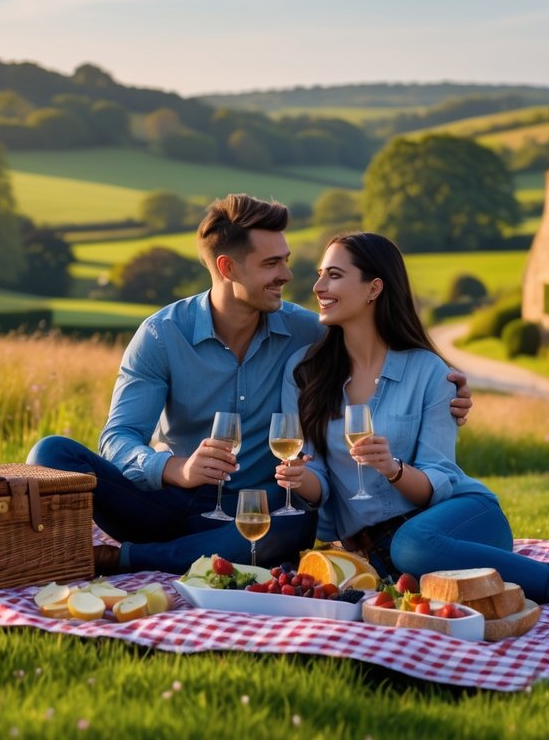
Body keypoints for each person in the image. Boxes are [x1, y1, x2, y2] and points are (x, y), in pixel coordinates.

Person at [26, 195, 473, 576]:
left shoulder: (307, 333)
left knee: (296, 523)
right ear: (228, 267)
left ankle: (128, 560)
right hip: (159, 505)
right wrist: (176, 469)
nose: (287, 275)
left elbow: (378, 346)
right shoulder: (162, 335)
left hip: (248, 516)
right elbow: (117, 439)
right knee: (51, 454)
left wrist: (447, 389)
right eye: (271, 263)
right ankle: (164, 553)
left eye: (286, 261)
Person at [277, 232, 549, 612]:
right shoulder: (304, 373)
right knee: (407, 554)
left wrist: (393, 469)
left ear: (374, 288)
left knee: (413, 545)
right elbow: (321, 483)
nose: (318, 287)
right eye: (319, 276)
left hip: (462, 520)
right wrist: (298, 477)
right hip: (379, 556)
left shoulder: (430, 373)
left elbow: (440, 478)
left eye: (334, 275)